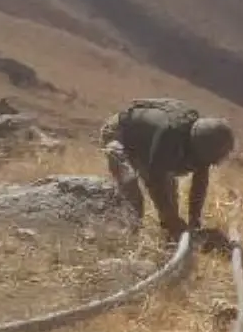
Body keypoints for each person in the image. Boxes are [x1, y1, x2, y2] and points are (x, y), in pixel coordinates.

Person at [101, 99, 235, 240]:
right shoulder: (169, 134)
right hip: (119, 133)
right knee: (130, 184)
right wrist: (172, 220)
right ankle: (125, 237)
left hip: (147, 146)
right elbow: (155, 181)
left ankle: (167, 238)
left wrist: (194, 220)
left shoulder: (202, 142)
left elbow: (199, 183)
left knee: (170, 198)